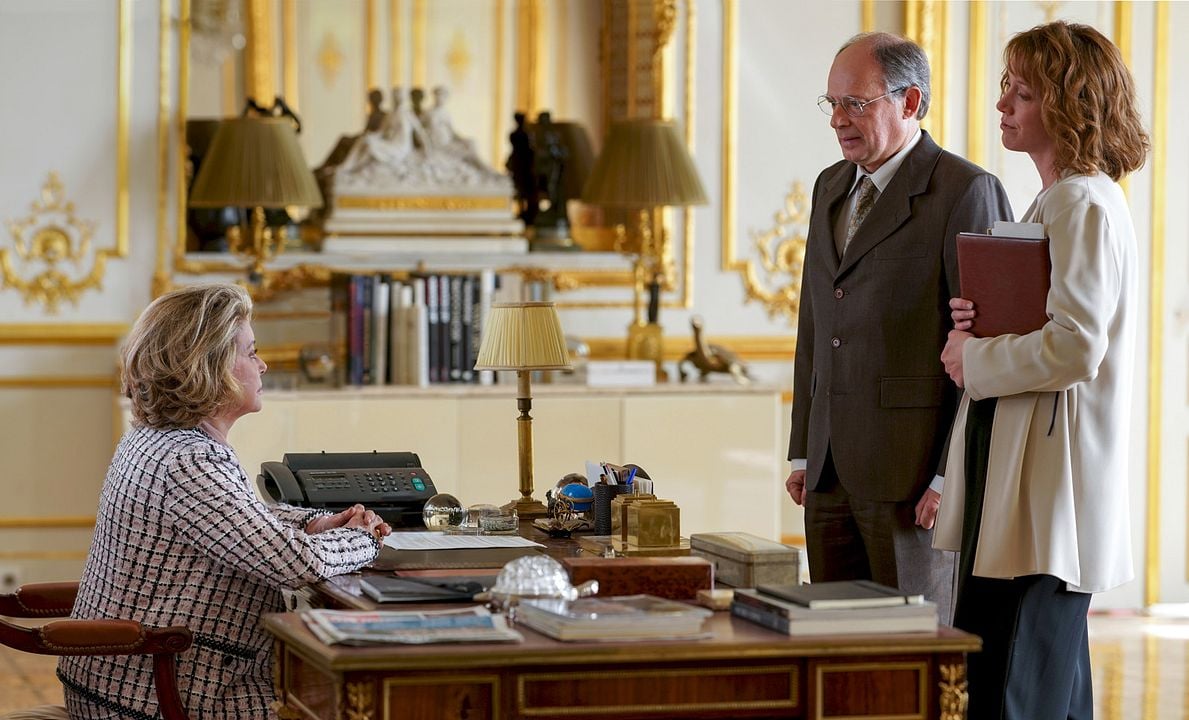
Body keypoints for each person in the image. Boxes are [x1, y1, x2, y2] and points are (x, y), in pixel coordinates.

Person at [935, 21, 1148, 719]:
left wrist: (974, 357)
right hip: (1029, 486)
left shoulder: (1080, 202)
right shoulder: (1065, 199)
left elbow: (1075, 347)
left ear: (1065, 104)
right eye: (1004, 87)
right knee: (1042, 687)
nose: (1002, 105)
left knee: (1013, 691)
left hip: (1044, 495)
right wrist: (979, 328)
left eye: (1020, 93)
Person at [58, 284, 392, 719]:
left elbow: (234, 517)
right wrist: (365, 538)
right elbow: (295, 565)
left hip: (120, 686)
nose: (263, 365)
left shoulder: (157, 440)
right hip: (160, 698)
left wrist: (314, 525)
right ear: (211, 366)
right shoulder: (189, 459)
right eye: (251, 353)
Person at [785, 32, 1013, 622]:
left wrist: (951, 474)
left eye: (854, 104)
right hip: (828, 470)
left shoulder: (966, 191)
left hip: (912, 481)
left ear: (910, 102)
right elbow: (815, 323)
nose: (837, 120)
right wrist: (802, 453)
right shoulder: (829, 187)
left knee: (912, 650)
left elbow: (984, 347)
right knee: (835, 649)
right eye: (831, 104)